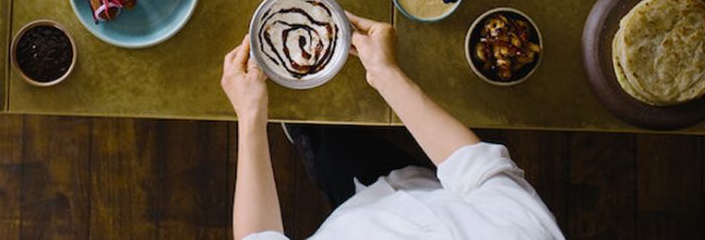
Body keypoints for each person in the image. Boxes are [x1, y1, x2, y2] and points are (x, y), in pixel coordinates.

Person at [220, 13, 564, 239]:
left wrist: (251, 117)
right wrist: (386, 74)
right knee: (344, 148)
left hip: (350, 217)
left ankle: (313, 144)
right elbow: (478, 169)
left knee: (327, 161)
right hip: (420, 183)